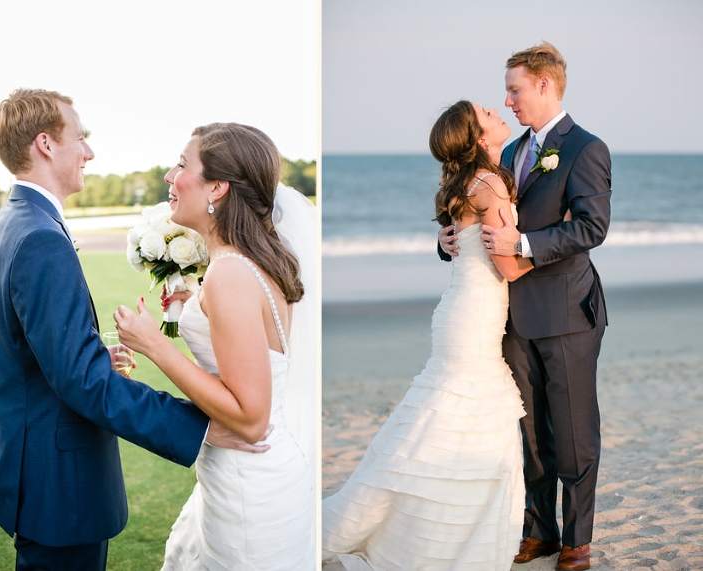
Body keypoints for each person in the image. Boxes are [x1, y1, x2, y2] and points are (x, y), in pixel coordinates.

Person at [0, 89, 262, 571]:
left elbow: (29, 350)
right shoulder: (42, 237)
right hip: (57, 481)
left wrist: (83, 355)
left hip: (29, 463)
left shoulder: (13, 222)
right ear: (46, 144)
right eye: (80, 138)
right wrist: (202, 426)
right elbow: (83, 382)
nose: (89, 152)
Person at [322, 99, 531, 570]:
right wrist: (556, 250)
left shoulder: (467, 182)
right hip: (475, 315)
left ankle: (421, 522)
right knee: (464, 417)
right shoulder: (490, 183)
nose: (499, 113)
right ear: (480, 138)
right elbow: (511, 269)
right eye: (489, 114)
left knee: (446, 420)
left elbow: (466, 242)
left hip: (459, 312)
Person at [439, 42, 611, 571]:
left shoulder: (585, 148)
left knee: (573, 428)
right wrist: (448, 241)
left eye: (514, 89)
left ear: (543, 84)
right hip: (509, 314)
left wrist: (525, 247)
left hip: (565, 311)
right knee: (530, 429)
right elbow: (475, 213)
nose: (508, 100)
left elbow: (591, 227)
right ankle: (540, 530)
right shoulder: (510, 153)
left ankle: (577, 540)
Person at [115, 122, 317, 570]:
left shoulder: (230, 274)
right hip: (247, 473)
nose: (170, 176)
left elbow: (250, 418)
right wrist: (196, 308)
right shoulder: (242, 264)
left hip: (251, 481)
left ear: (218, 187)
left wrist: (154, 345)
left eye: (183, 165)